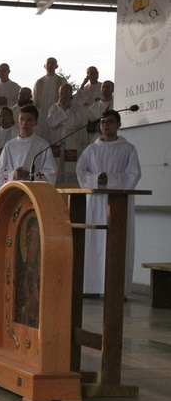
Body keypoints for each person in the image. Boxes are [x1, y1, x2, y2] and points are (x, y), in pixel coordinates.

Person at [76, 110, 141, 297]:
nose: (106, 125)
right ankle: (91, 288)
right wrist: (97, 178)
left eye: (110, 122)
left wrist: (110, 179)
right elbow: (81, 172)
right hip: (96, 203)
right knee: (94, 242)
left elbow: (134, 175)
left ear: (118, 125)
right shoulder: (92, 149)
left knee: (117, 243)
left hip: (118, 202)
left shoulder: (128, 149)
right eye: (103, 122)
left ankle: (117, 290)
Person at [0, 104, 57, 189]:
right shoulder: (10, 146)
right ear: (18, 121)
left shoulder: (42, 145)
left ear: (35, 122)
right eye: (22, 119)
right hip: (14, 191)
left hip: (34, 191)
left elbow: (51, 174)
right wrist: (14, 174)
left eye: (29, 120)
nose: (25, 123)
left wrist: (30, 175)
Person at [46, 83, 87, 184]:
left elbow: (75, 124)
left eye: (66, 92)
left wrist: (66, 111)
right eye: (61, 93)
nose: (63, 95)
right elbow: (51, 123)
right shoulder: (54, 108)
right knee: (56, 169)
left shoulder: (77, 107)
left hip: (71, 142)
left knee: (70, 170)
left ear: (70, 93)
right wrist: (62, 110)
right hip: (57, 142)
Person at [33, 57, 67, 138]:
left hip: (56, 114)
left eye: (52, 63)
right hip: (42, 115)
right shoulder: (39, 82)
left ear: (56, 66)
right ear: (44, 66)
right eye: (48, 63)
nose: (50, 65)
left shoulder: (61, 81)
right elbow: (35, 100)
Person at [87, 80, 114, 144]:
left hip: (111, 139)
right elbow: (89, 127)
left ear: (113, 89)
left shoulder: (116, 105)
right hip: (96, 141)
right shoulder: (93, 108)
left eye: (108, 87)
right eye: (103, 87)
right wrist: (96, 128)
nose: (105, 89)